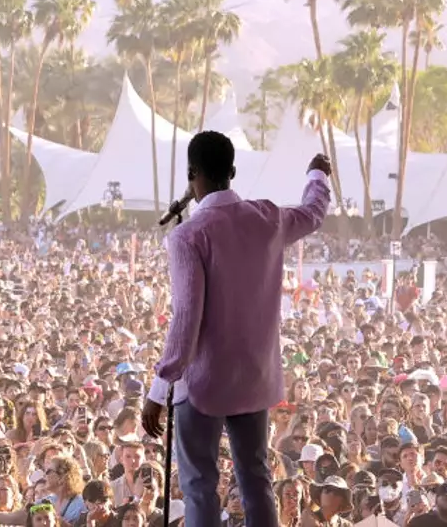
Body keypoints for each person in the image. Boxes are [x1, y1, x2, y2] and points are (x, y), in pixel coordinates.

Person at [141, 133, 332, 527]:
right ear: (232, 172)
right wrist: (318, 174)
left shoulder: (188, 235)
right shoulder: (268, 218)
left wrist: (160, 388)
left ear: (192, 173)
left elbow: (185, 317)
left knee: (199, 486)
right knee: (255, 478)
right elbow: (313, 213)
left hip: (204, 382)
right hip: (255, 380)